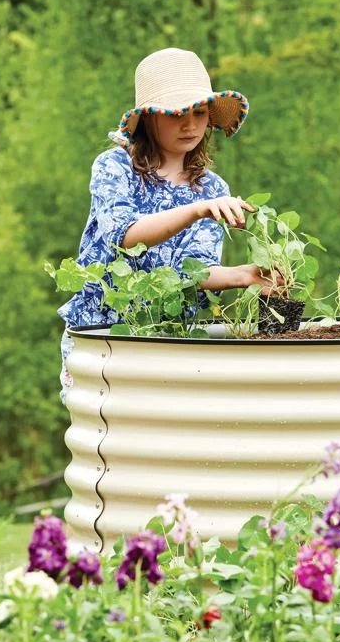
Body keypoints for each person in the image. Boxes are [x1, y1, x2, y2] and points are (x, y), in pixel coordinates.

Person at [58, 47, 274, 396]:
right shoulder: (115, 167)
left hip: (168, 340)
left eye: (199, 112)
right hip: (101, 336)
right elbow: (125, 236)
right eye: (176, 114)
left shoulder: (211, 189)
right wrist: (196, 210)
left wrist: (243, 275)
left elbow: (194, 271)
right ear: (148, 119)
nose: (190, 125)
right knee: (101, 428)